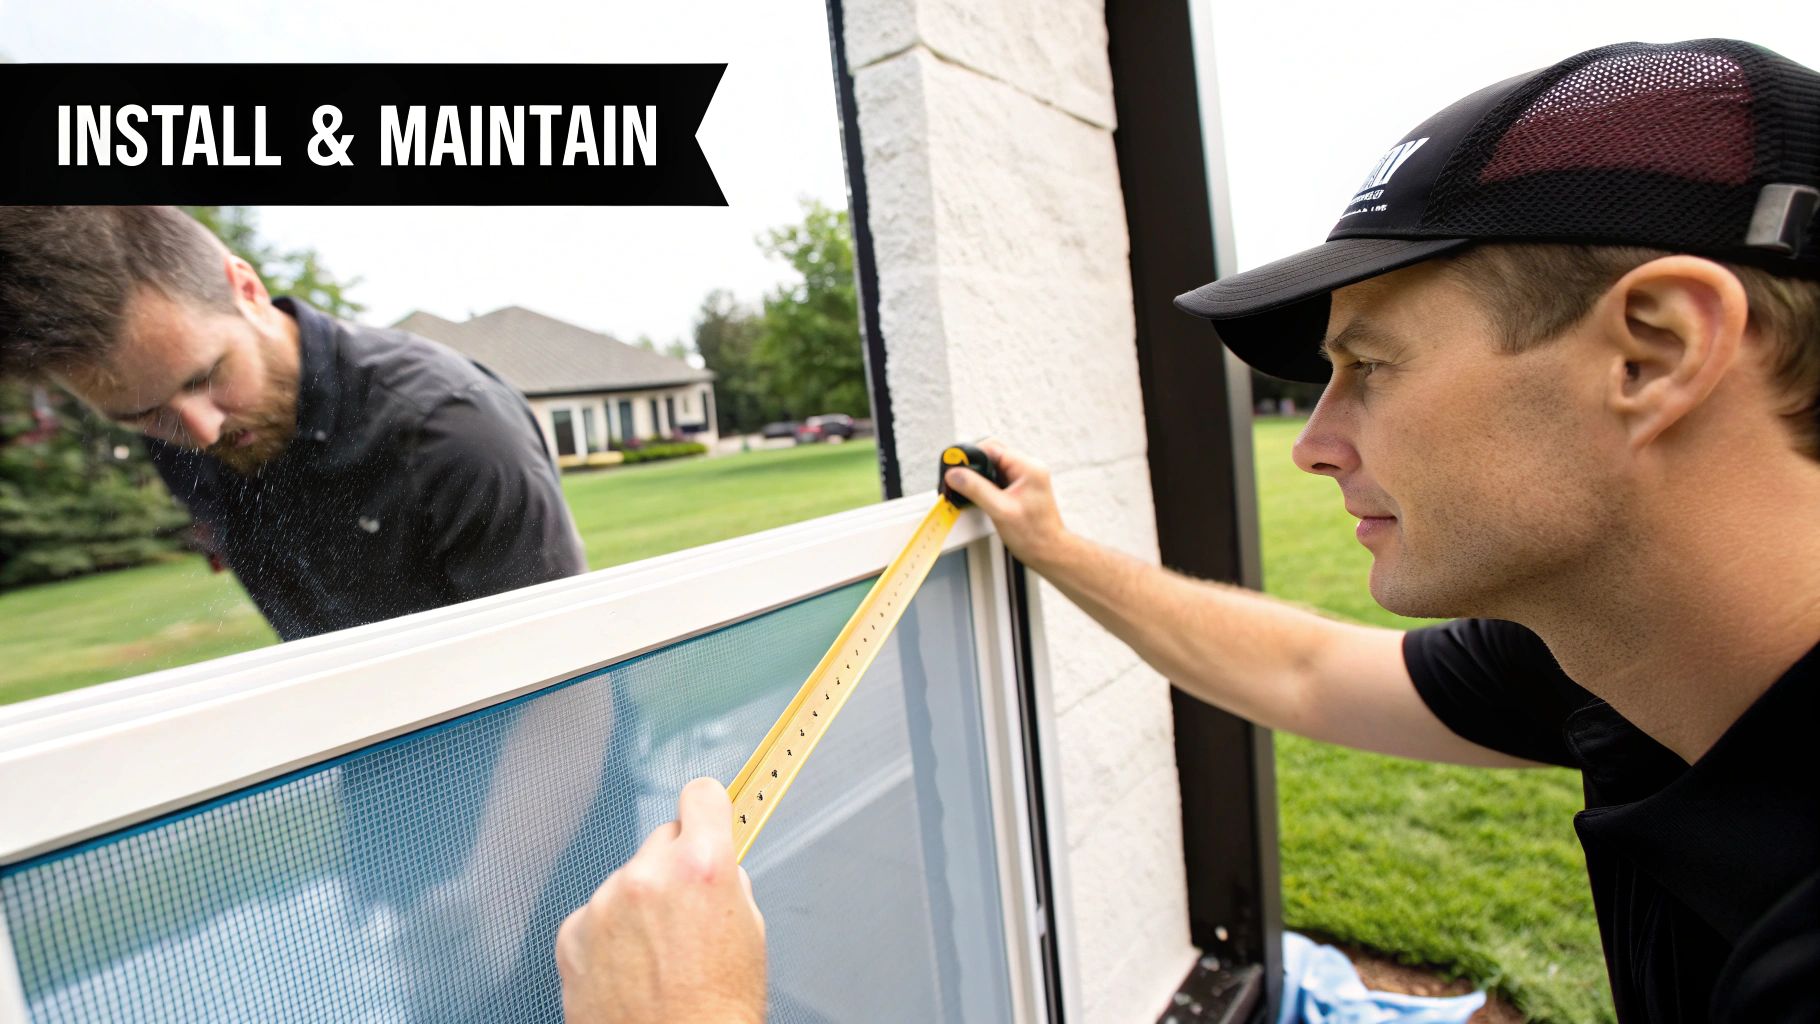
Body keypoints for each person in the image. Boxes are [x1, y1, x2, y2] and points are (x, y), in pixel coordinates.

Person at [557, 38, 1820, 1023]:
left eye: (1366, 367)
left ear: (1651, 351)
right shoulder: (1631, 655)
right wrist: (1056, 548)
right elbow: (1307, 671)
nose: (1318, 441)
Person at [0, 205, 586, 639]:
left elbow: (565, 679)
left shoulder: (453, 429)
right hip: (370, 762)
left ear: (248, 291)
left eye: (205, 377)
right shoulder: (180, 432)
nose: (201, 434)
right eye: (143, 414)